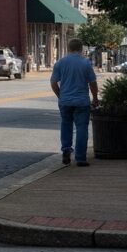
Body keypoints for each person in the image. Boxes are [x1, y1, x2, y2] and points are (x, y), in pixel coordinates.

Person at [51, 38, 99, 166]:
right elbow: (92, 83)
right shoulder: (85, 63)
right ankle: (81, 158)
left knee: (66, 125)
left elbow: (53, 82)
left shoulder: (60, 63)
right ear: (81, 48)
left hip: (65, 101)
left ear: (68, 48)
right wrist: (95, 98)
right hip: (82, 101)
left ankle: (66, 149)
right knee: (82, 128)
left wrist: (60, 96)